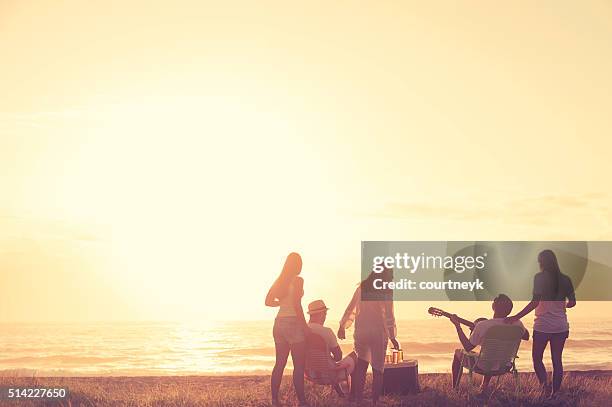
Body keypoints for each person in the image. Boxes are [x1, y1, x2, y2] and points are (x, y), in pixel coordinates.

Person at [505, 249, 576, 396]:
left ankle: (544, 387)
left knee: (537, 358)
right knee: (557, 360)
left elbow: (535, 302)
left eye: (539, 261)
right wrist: (562, 305)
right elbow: (573, 302)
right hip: (560, 326)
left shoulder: (539, 278)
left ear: (542, 262)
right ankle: (554, 393)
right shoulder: (566, 279)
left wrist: (515, 317)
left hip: (543, 325)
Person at [337, 268, 399, 404]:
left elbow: (350, 308)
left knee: (362, 367)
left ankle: (358, 399)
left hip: (361, 332)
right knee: (378, 369)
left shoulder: (361, 288)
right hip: (378, 333)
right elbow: (389, 316)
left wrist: (343, 326)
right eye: (391, 275)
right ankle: (375, 401)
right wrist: (393, 336)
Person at [450, 294, 528, 393]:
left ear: (493, 306)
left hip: (483, 366)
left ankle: (455, 389)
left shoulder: (483, 325)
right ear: (510, 310)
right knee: (492, 353)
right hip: (505, 365)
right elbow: (526, 336)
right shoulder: (518, 324)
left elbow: (468, 347)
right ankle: (484, 386)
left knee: (458, 353)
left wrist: (458, 326)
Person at [265, 252, 310, 407]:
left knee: (280, 364)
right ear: (297, 265)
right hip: (293, 323)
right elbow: (297, 304)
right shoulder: (298, 280)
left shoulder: (280, 281)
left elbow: (267, 301)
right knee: (298, 365)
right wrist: (304, 326)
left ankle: (275, 400)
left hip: (279, 324)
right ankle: (302, 401)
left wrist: (282, 304)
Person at [305, 299, 357, 396]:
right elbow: (338, 356)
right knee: (356, 356)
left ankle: (340, 393)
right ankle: (353, 395)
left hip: (310, 375)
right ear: (321, 314)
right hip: (329, 376)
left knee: (329, 362)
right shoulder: (326, 332)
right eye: (325, 314)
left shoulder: (303, 331)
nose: (325, 317)